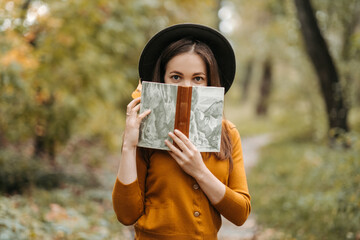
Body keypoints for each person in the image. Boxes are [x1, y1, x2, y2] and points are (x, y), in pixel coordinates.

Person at [112, 23, 251, 240]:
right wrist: (129, 145)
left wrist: (199, 171)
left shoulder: (228, 133)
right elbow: (126, 215)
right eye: (176, 77)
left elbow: (241, 213)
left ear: (209, 83)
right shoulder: (145, 131)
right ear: (162, 80)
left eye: (197, 78)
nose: (186, 87)